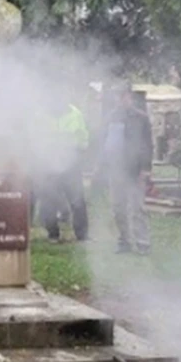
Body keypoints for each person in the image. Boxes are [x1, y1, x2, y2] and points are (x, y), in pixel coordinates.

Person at [96, 86, 154, 255]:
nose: (122, 100)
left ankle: (143, 243)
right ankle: (124, 241)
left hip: (135, 170)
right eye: (118, 96)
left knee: (137, 207)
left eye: (125, 96)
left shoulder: (141, 118)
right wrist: (100, 165)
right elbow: (104, 143)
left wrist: (146, 169)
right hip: (116, 169)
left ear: (130, 97)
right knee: (117, 207)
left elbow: (148, 146)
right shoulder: (110, 117)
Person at [39, 100, 90, 242]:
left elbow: (83, 136)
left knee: (77, 200)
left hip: (71, 163)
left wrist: (81, 151)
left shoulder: (75, 114)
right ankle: (53, 234)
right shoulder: (42, 115)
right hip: (49, 164)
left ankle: (82, 235)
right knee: (49, 200)